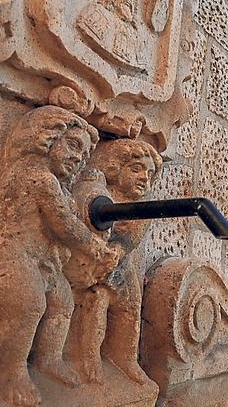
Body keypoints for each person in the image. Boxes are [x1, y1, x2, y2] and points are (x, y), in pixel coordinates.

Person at [0, 106, 120, 406]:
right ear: (46, 138)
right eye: (73, 145)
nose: (78, 156)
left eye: (84, 153)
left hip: (40, 267)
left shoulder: (58, 184)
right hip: (8, 259)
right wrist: (94, 246)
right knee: (29, 306)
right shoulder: (36, 176)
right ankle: (4, 372)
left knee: (62, 303)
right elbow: (63, 224)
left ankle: (48, 359)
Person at [68, 138, 161, 385]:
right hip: (92, 261)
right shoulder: (102, 194)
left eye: (150, 173)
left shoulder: (143, 208)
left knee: (130, 307)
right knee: (97, 302)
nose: (144, 177)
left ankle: (126, 358)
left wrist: (118, 251)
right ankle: (89, 358)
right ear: (114, 169)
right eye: (136, 169)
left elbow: (131, 239)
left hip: (120, 262)